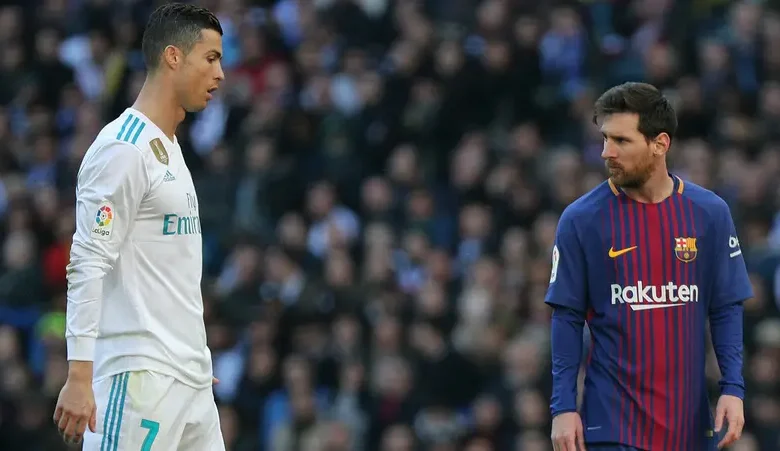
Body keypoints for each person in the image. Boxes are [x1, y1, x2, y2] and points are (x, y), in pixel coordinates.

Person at [52, 3, 226, 450]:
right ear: (173, 56)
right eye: (210, 58)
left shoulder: (169, 147)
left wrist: (190, 352)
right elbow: (87, 261)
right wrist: (79, 374)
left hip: (189, 379)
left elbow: (165, 267)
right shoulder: (122, 149)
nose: (220, 74)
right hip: (137, 380)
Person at [545, 82, 751, 451]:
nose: (606, 152)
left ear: (660, 144)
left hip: (688, 426)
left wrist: (733, 388)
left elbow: (725, 308)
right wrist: (563, 406)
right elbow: (567, 316)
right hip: (612, 424)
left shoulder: (709, 214)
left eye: (621, 141)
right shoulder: (581, 219)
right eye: (605, 138)